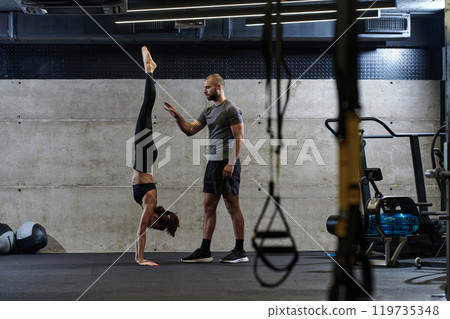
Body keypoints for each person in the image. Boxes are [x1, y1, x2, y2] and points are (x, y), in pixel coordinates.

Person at [164, 74, 248, 263]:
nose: (204, 91)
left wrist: (231, 163)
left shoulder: (231, 109)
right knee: (208, 206)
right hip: (213, 163)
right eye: (204, 87)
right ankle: (205, 251)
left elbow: (240, 137)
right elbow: (190, 130)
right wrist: (178, 117)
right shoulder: (208, 111)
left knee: (231, 205)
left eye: (208, 87)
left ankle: (240, 251)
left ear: (218, 87)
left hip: (228, 162)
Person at [132, 46, 180, 266]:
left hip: (145, 158)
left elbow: (144, 227)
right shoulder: (150, 204)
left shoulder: (149, 204)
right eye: (157, 226)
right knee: (146, 108)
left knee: (146, 111)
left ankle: (150, 70)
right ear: (156, 219)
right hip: (144, 158)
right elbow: (142, 229)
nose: (153, 227)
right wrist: (140, 259)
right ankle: (149, 70)